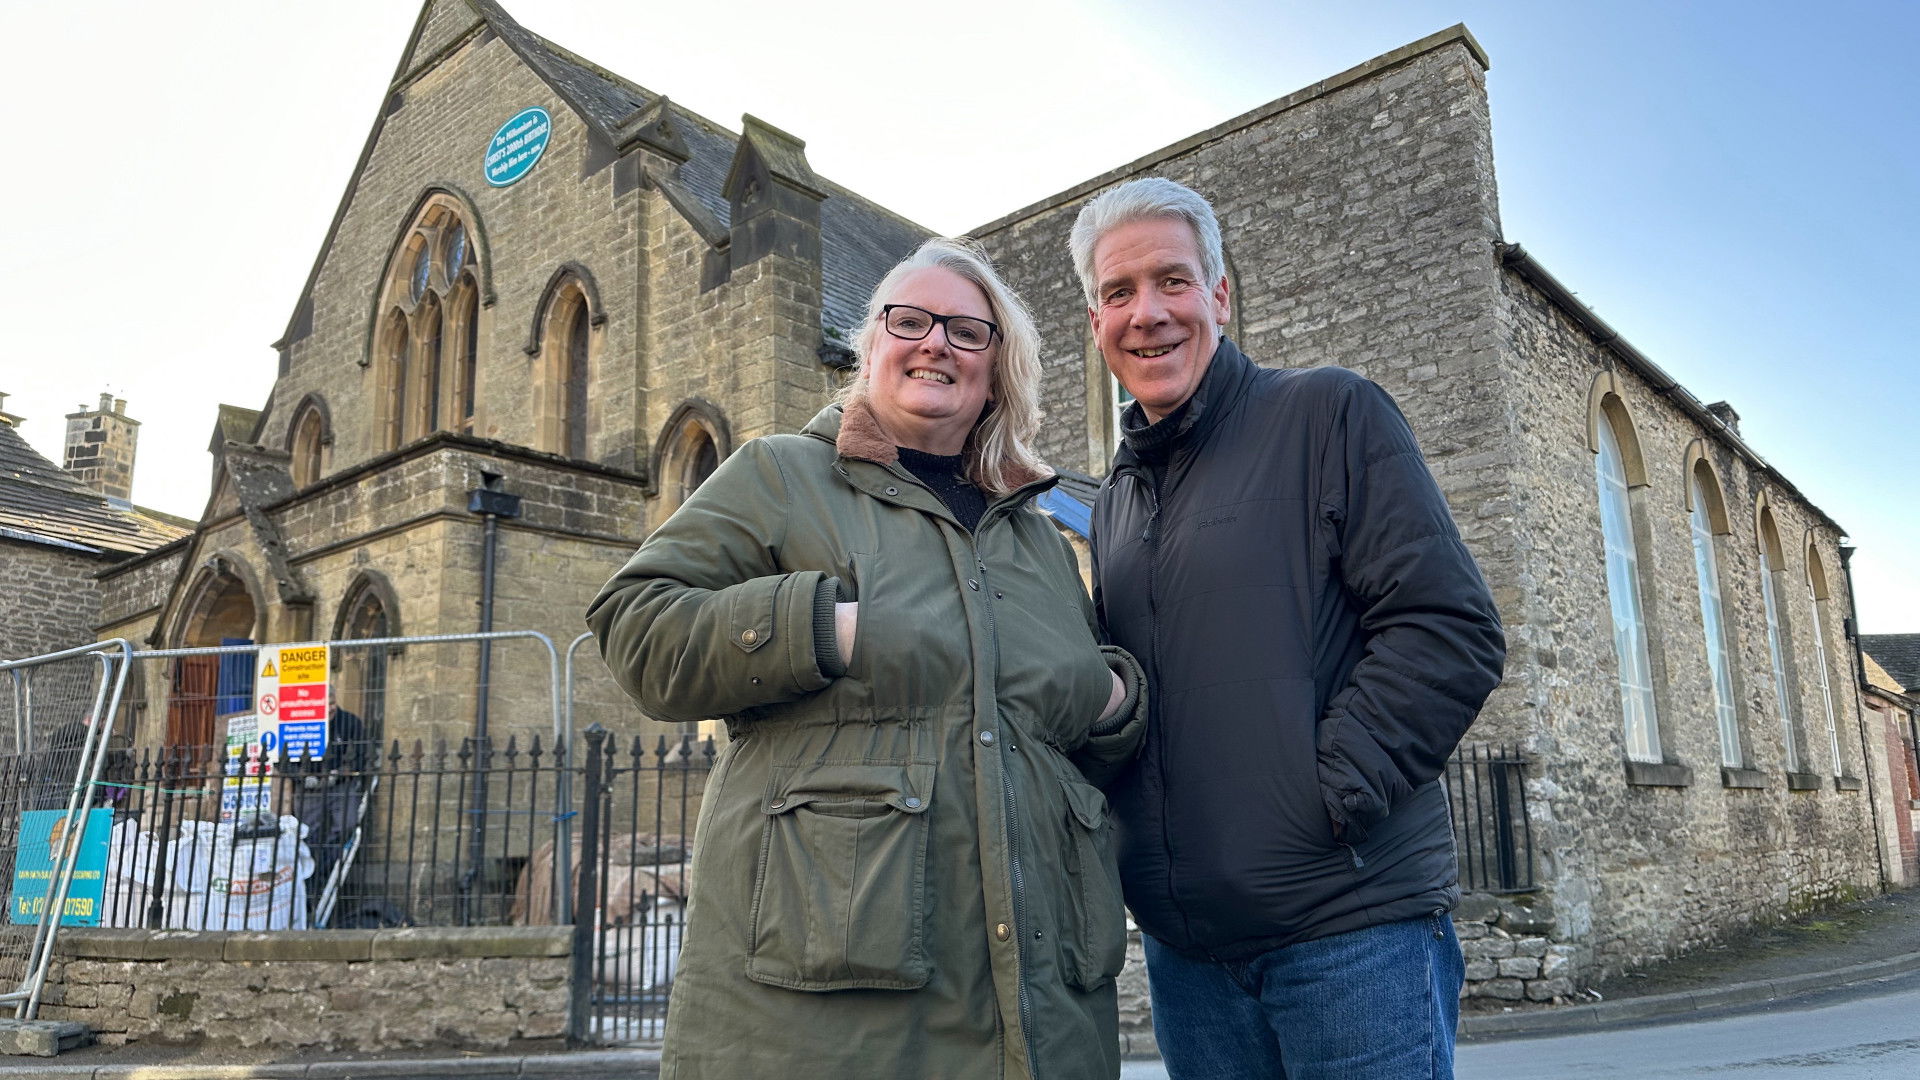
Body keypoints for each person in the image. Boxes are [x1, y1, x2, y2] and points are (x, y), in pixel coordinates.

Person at [587, 237, 1148, 1080]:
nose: (936, 343)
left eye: (967, 331)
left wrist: (1111, 700)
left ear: (997, 369)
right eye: (910, 321)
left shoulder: (1037, 537)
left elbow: (1071, 740)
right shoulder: (780, 476)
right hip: (829, 1025)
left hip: (1046, 1015)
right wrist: (829, 627)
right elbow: (635, 624)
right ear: (871, 344)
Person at [1073, 178, 1507, 1079]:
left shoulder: (1329, 413)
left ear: (1220, 296)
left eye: (1173, 281)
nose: (1148, 313)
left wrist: (1324, 800)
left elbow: (1448, 627)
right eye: (1120, 292)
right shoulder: (1115, 500)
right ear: (1097, 321)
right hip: (1190, 961)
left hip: (1350, 933)